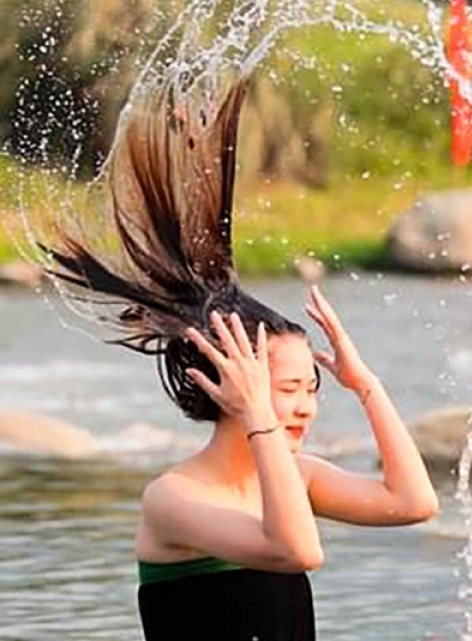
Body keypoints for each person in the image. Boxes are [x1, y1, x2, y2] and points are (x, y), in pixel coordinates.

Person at [39, 80, 439, 641]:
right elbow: (298, 550)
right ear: (233, 384)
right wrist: (259, 418)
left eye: (312, 389)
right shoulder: (173, 498)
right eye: (288, 388)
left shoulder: (295, 476)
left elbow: (413, 503)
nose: (305, 407)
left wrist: (366, 385)